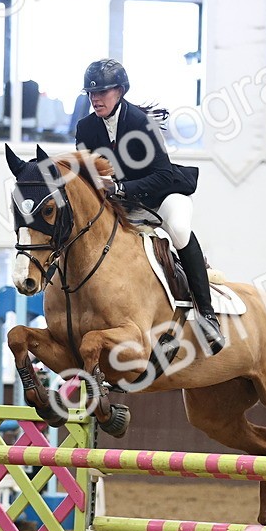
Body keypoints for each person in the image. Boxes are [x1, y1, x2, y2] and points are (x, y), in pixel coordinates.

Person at [74, 58, 225, 354]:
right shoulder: (85, 127)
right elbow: (86, 174)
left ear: (120, 91)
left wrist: (120, 187)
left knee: (179, 230)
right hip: (121, 203)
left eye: (102, 92)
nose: (95, 98)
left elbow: (163, 174)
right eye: (91, 93)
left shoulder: (141, 123)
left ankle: (207, 315)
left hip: (162, 195)